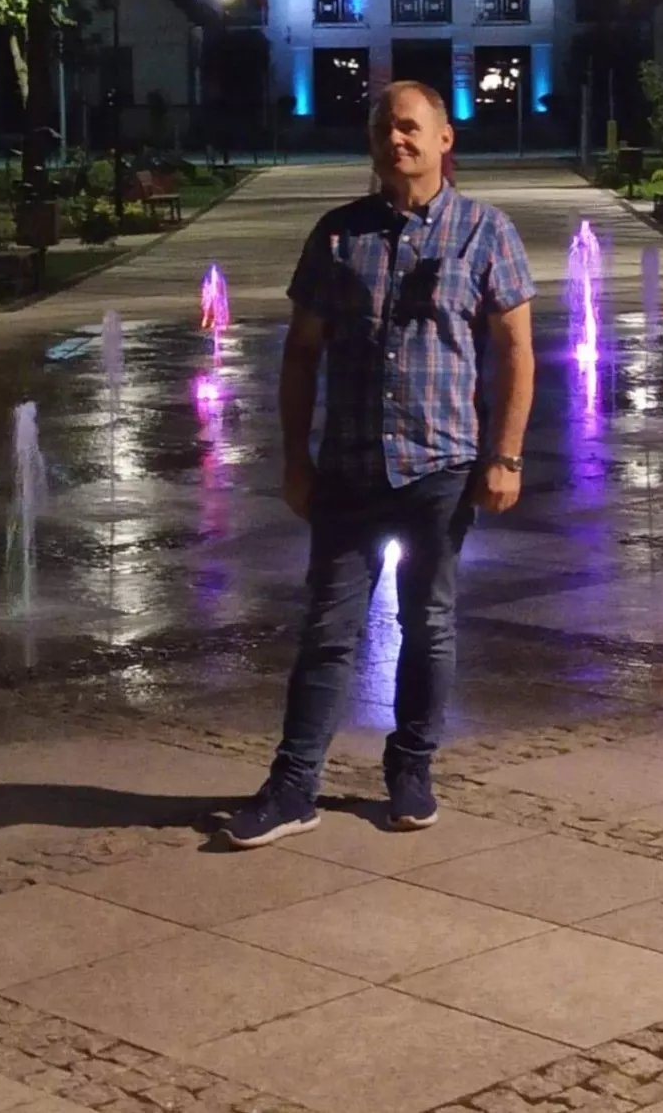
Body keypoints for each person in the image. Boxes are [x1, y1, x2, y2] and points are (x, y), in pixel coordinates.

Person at [222, 81, 535, 849]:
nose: (395, 140)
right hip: (349, 467)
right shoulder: (338, 235)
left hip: (441, 465)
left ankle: (411, 766)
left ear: (443, 138)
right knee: (326, 630)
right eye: (381, 129)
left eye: (408, 126)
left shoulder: (485, 231)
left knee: (429, 624)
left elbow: (516, 351)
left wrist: (505, 455)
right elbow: (301, 355)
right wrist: (295, 459)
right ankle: (293, 785)